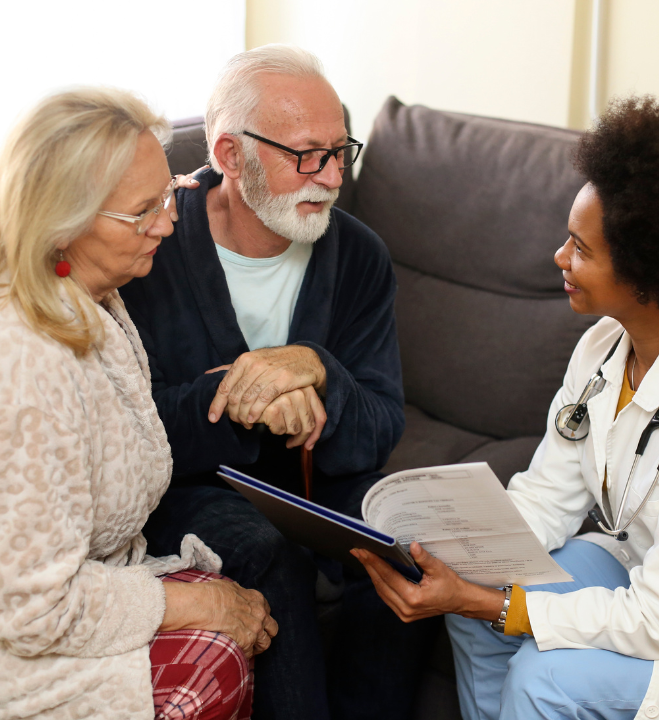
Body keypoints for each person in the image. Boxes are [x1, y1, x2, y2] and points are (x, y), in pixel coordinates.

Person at [353, 90, 659, 720]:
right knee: (477, 604)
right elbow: (547, 497)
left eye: (582, 250)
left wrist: (488, 602)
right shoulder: (601, 349)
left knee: (544, 673)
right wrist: (451, 552)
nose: (560, 259)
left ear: (653, 272)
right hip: (654, 574)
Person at [0, 87, 277, 720]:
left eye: (167, 194)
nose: (169, 223)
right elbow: (31, 608)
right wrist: (198, 606)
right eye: (143, 211)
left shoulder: (85, 296)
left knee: (238, 593)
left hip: (15, 598)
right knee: (212, 654)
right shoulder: (17, 362)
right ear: (61, 221)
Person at [120, 45, 434, 720]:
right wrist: (244, 397)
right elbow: (126, 433)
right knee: (265, 552)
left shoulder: (357, 255)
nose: (330, 177)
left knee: (405, 549)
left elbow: (380, 424)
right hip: (188, 488)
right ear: (230, 155)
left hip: (317, 482)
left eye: (339, 151)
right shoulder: (153, 246)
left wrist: (318, 369)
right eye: (305, 155)